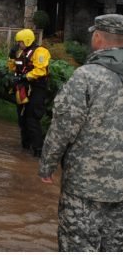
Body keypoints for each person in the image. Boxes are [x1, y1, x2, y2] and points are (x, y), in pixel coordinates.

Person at [39, 14, 123, 252]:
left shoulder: (87, 76)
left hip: (84, 188)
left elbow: (63, 126)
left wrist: (47, 165)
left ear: (97, 38)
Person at [7, 28, 51, 157]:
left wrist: (25, 77)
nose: (18, 45)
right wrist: (11, 58)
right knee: (22, 118)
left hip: (37, 88)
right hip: (22, 88)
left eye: (20, 42)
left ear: (27, 40)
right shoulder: (20, 53)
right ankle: (25, 147)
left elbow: (41, 70)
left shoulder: (41, 51)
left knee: (32, 118)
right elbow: (13, 68)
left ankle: (38, 149)